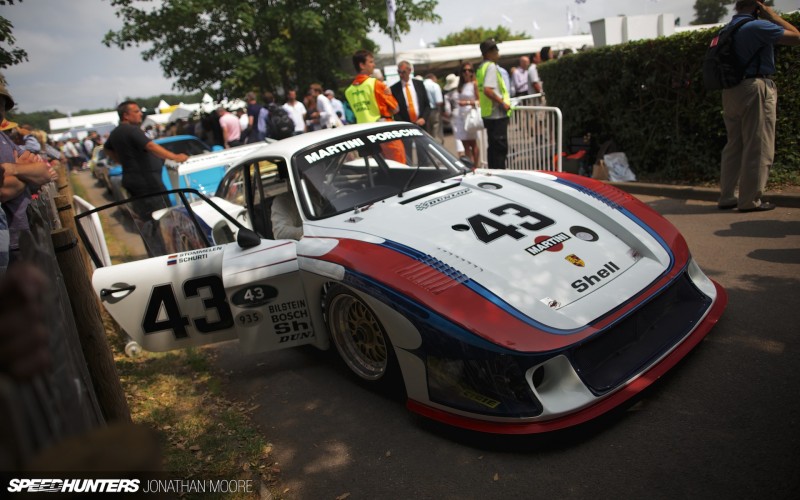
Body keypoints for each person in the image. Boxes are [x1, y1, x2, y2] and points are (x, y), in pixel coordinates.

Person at [718, 0, 800, 212]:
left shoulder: (727, 29)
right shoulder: (758, 26)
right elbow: (796, 37)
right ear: (757, 6)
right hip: (755, 87)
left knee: (734, 145)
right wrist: (772, 15)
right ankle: (749, 201)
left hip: (730, 90)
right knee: (758, 145)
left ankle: (727, 196)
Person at [104, 100, 189, 254]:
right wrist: (175, 156)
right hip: (148, 186)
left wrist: (124, 161)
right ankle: (167, 254)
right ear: (126, 115)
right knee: (160, 221)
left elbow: (107, 149)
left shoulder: (116, 132)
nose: (140, 114)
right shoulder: (132, 131)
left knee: (147, 223)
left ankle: (157, 253)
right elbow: (150, 146)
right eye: (136, 111)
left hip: (136, 183)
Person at [476, 39, 511, 169]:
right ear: (488, 53)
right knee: (500, 151)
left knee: (493, 149)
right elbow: (487, 90)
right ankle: (500, 177)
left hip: (488, 114)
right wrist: (503, 103)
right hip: (496, 114)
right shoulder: (490, 67)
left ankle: (493, 175)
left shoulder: (481, 67)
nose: (497, 52)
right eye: (495, 49)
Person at [345, 49, 398, 124]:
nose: (374, 65)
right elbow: (395, 108)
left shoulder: (349, 91)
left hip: (362, 130)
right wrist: (389, 94)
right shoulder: (377, 84)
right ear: (362, 65)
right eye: (371, 62)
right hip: (382, 128)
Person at [448, 63, 480, 167]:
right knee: (464, 143)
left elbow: (479, 101)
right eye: (464, 70)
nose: (467, 72)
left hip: (470, 115)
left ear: (472, 72)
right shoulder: (460, 85)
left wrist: (466, 103)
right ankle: (469, 165)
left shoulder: (474, 84)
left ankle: (476, 165)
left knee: (472, 143)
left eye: (469, 70)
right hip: (461, 116)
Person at [391, 60, 430, 127]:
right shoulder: (394, 89)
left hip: (422, 124)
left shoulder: (419, 84)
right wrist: (403, 123)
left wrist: (423, 118)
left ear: (409, 70)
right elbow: (395, 111)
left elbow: (427, 104)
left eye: (403, 72)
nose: (401, 75)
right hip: (405, 126)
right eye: (399, 72)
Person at [423, 74, 445, 144]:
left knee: (427, 132)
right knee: (436, 130)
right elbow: (439, 101)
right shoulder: (434, 85)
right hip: (434, 110)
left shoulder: (421, 85)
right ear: (433, 78)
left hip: (424, 112)